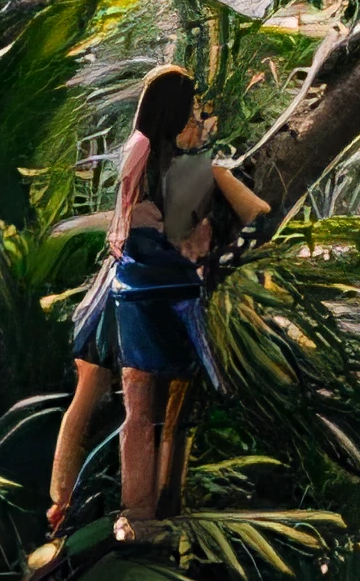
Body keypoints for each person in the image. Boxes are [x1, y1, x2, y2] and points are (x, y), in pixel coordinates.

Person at [42, 65, 268, 550]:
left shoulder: (143, 154)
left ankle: (132, 513)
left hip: (137, 292)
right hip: (167, 297)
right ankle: (149, 510)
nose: (200, 117)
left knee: (140, 412)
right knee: (160, 412)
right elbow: (224, 225)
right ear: (180, 111)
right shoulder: (192, 167)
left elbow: (130, 231)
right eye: (194, 109)